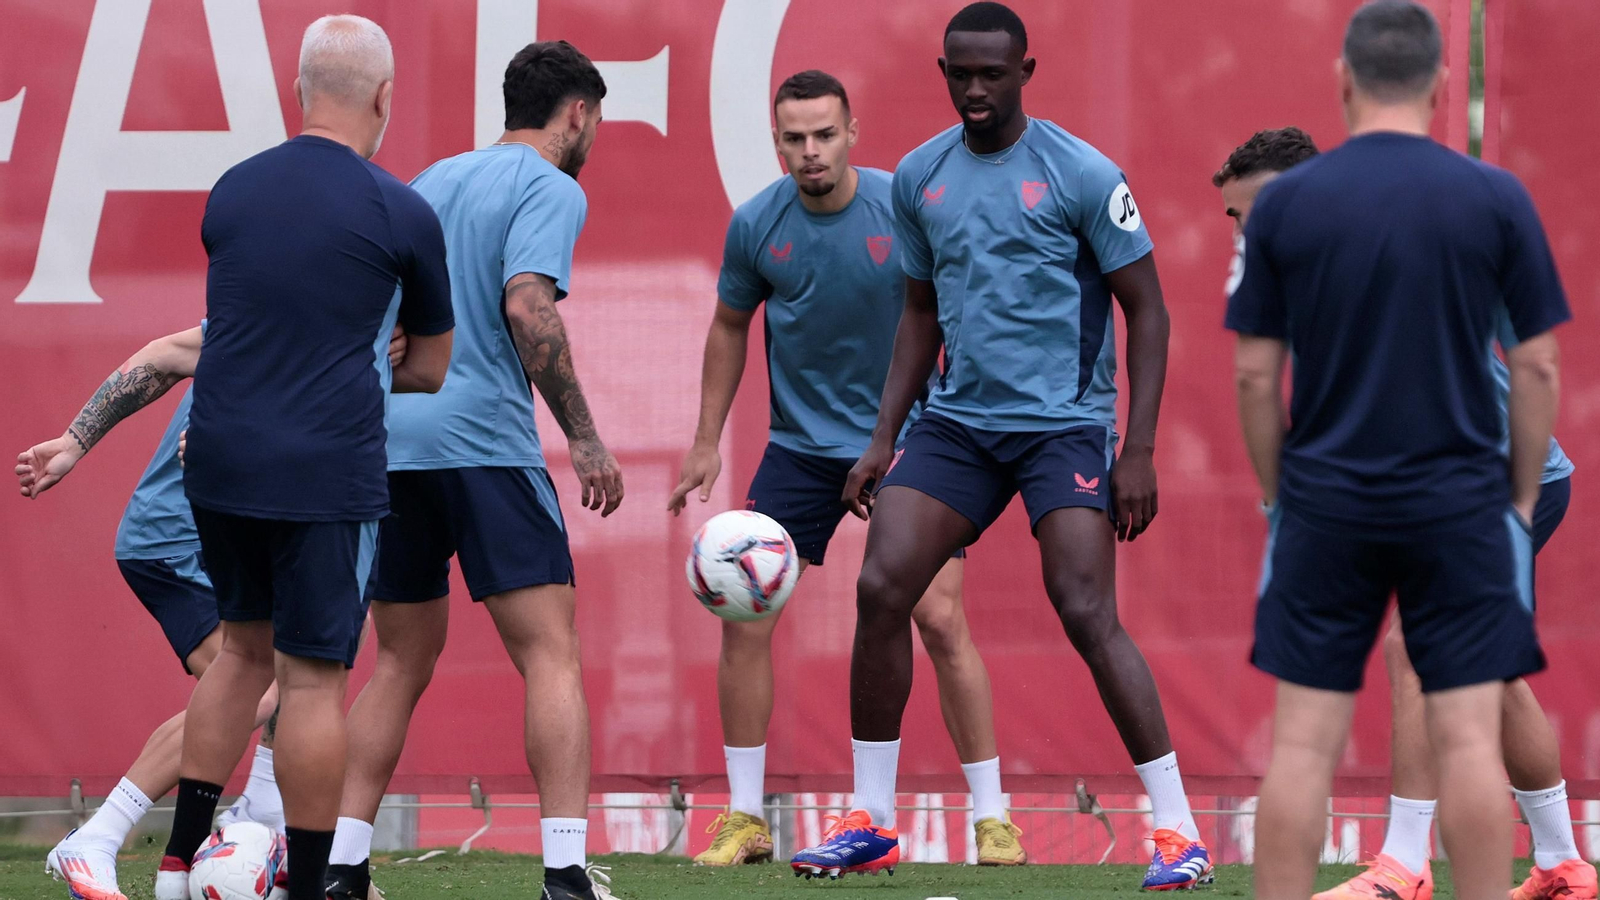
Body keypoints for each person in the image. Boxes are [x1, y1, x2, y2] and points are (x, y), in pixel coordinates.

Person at [791, 2, 1207, 889]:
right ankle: (869, 820)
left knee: (1084, 609)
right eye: (959, 73)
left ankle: (1178, 834)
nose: (974, 89)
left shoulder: (1083, 173)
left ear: (1026, 69)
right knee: (881, 585)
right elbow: (917, 313)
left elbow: (1150, 310)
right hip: (959, 426)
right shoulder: (918, 176)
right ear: (943, 73)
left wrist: (1138, 448)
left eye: (992, 73)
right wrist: (880, 439)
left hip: (1065, 424)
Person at [1225, 3, 1568, 900]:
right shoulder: (1495, 196)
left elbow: (1256, 379)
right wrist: (1519, 500)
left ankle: (1422, 869)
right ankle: (1514, 869)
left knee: (1301, 746)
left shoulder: (1286, 206)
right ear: (1443, 83)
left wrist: (1281, 494)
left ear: (1343, 80)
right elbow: (1538, 364)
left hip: (1329, 502)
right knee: (1466, 735)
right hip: (1461, 502)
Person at [668, 69, 1023, 868]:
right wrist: (704, 440)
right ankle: (747, 817)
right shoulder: (757, 224)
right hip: (800, 447)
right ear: (777, 141)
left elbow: (956, 306)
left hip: (912, 443)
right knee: (745, 618)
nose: (809, 151)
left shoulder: (904, 209)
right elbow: (729, 326)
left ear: (853, 131)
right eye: (793, 138)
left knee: (937, 619)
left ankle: (995, 817)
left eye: (824, 134)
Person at [153, 15, 455, 900]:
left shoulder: (232, 191)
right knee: (314, 680)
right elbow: (431, 368)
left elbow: (252, 313)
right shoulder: (401, 209)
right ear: (384, 96)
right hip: (324, 469)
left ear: (298, 92)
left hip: (218, 461)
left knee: (240, 654)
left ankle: (175, 869)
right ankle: (313, 885)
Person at [323, 40, 623, 900]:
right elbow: (530, 307)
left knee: (397, 662)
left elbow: (377, 325)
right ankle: (565, 875)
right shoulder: (550, 187)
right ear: (578, 113)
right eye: (594, 121)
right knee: (550, 656)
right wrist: (587, 440)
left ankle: (343, 870)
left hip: (393, 447)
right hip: (485, 446)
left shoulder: (425, 183)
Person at [16, 323, 330, 900]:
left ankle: (262, 818)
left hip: (243, 533)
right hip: (176, 538)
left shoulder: (346, 311)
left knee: (300, 670)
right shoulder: (277, 301)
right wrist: (72, 442)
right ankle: (96, 838)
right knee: (254, 688)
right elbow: (164, 355)